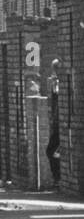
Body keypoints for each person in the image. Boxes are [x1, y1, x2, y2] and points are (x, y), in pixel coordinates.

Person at [47, 60, 62, 188]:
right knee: (52, 151)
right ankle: (57, 178)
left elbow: (57, 96)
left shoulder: (60, 84)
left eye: (54, 70)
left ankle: (58, 178)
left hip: (61, 124)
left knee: (52, 151)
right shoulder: (56, 83)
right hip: (57, 123)